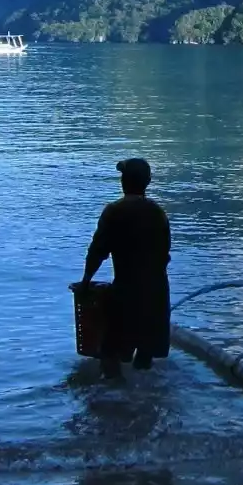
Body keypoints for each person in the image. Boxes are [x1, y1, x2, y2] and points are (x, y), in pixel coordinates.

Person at [81, 158, 172, 371]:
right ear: (148, 182)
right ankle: (143, 399)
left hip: (126, 293)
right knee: (145, 359)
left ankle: (116, 397)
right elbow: (164, 255)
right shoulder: (158, 213)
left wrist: (86, 280)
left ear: (124, 182)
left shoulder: (114, 211)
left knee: (110, 356)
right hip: (157, 295)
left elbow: (97, 251)